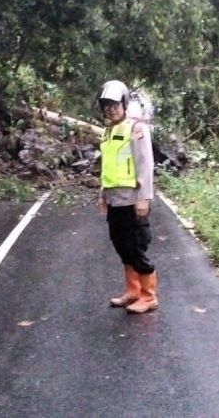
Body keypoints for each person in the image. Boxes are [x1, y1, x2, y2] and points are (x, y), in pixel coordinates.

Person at [95, 80, 158, 314]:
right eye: (106, 106)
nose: (110, 109)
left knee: (136, 247)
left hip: (132, 199)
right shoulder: (107, 132)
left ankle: (148, 296)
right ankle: (132, 291)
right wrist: (102, 195)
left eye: (114, 105)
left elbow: (145, 164)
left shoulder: (136, 128)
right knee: (121, 245)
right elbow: (107, 167)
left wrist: (144, 197)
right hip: (114, 200)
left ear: (123, 104)